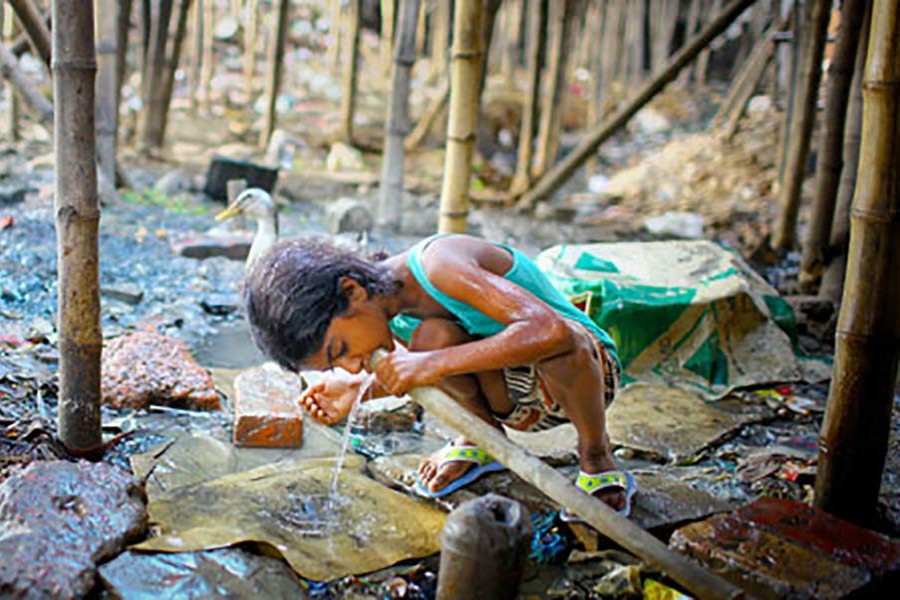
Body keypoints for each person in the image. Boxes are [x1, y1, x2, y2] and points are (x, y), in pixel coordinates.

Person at [243, 233, 636, 515]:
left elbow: (552, 332)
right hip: (516, 401)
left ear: (352, 291)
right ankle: (483, 438)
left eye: (340, 350)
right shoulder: (386, 313)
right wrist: (358, 390)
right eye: (335, 366)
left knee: (559, 344)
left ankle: (595, 453)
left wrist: (431, 363)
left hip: (584, 377)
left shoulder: (439, 265)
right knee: (432, 338)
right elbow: (418, 365)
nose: (351, 365)